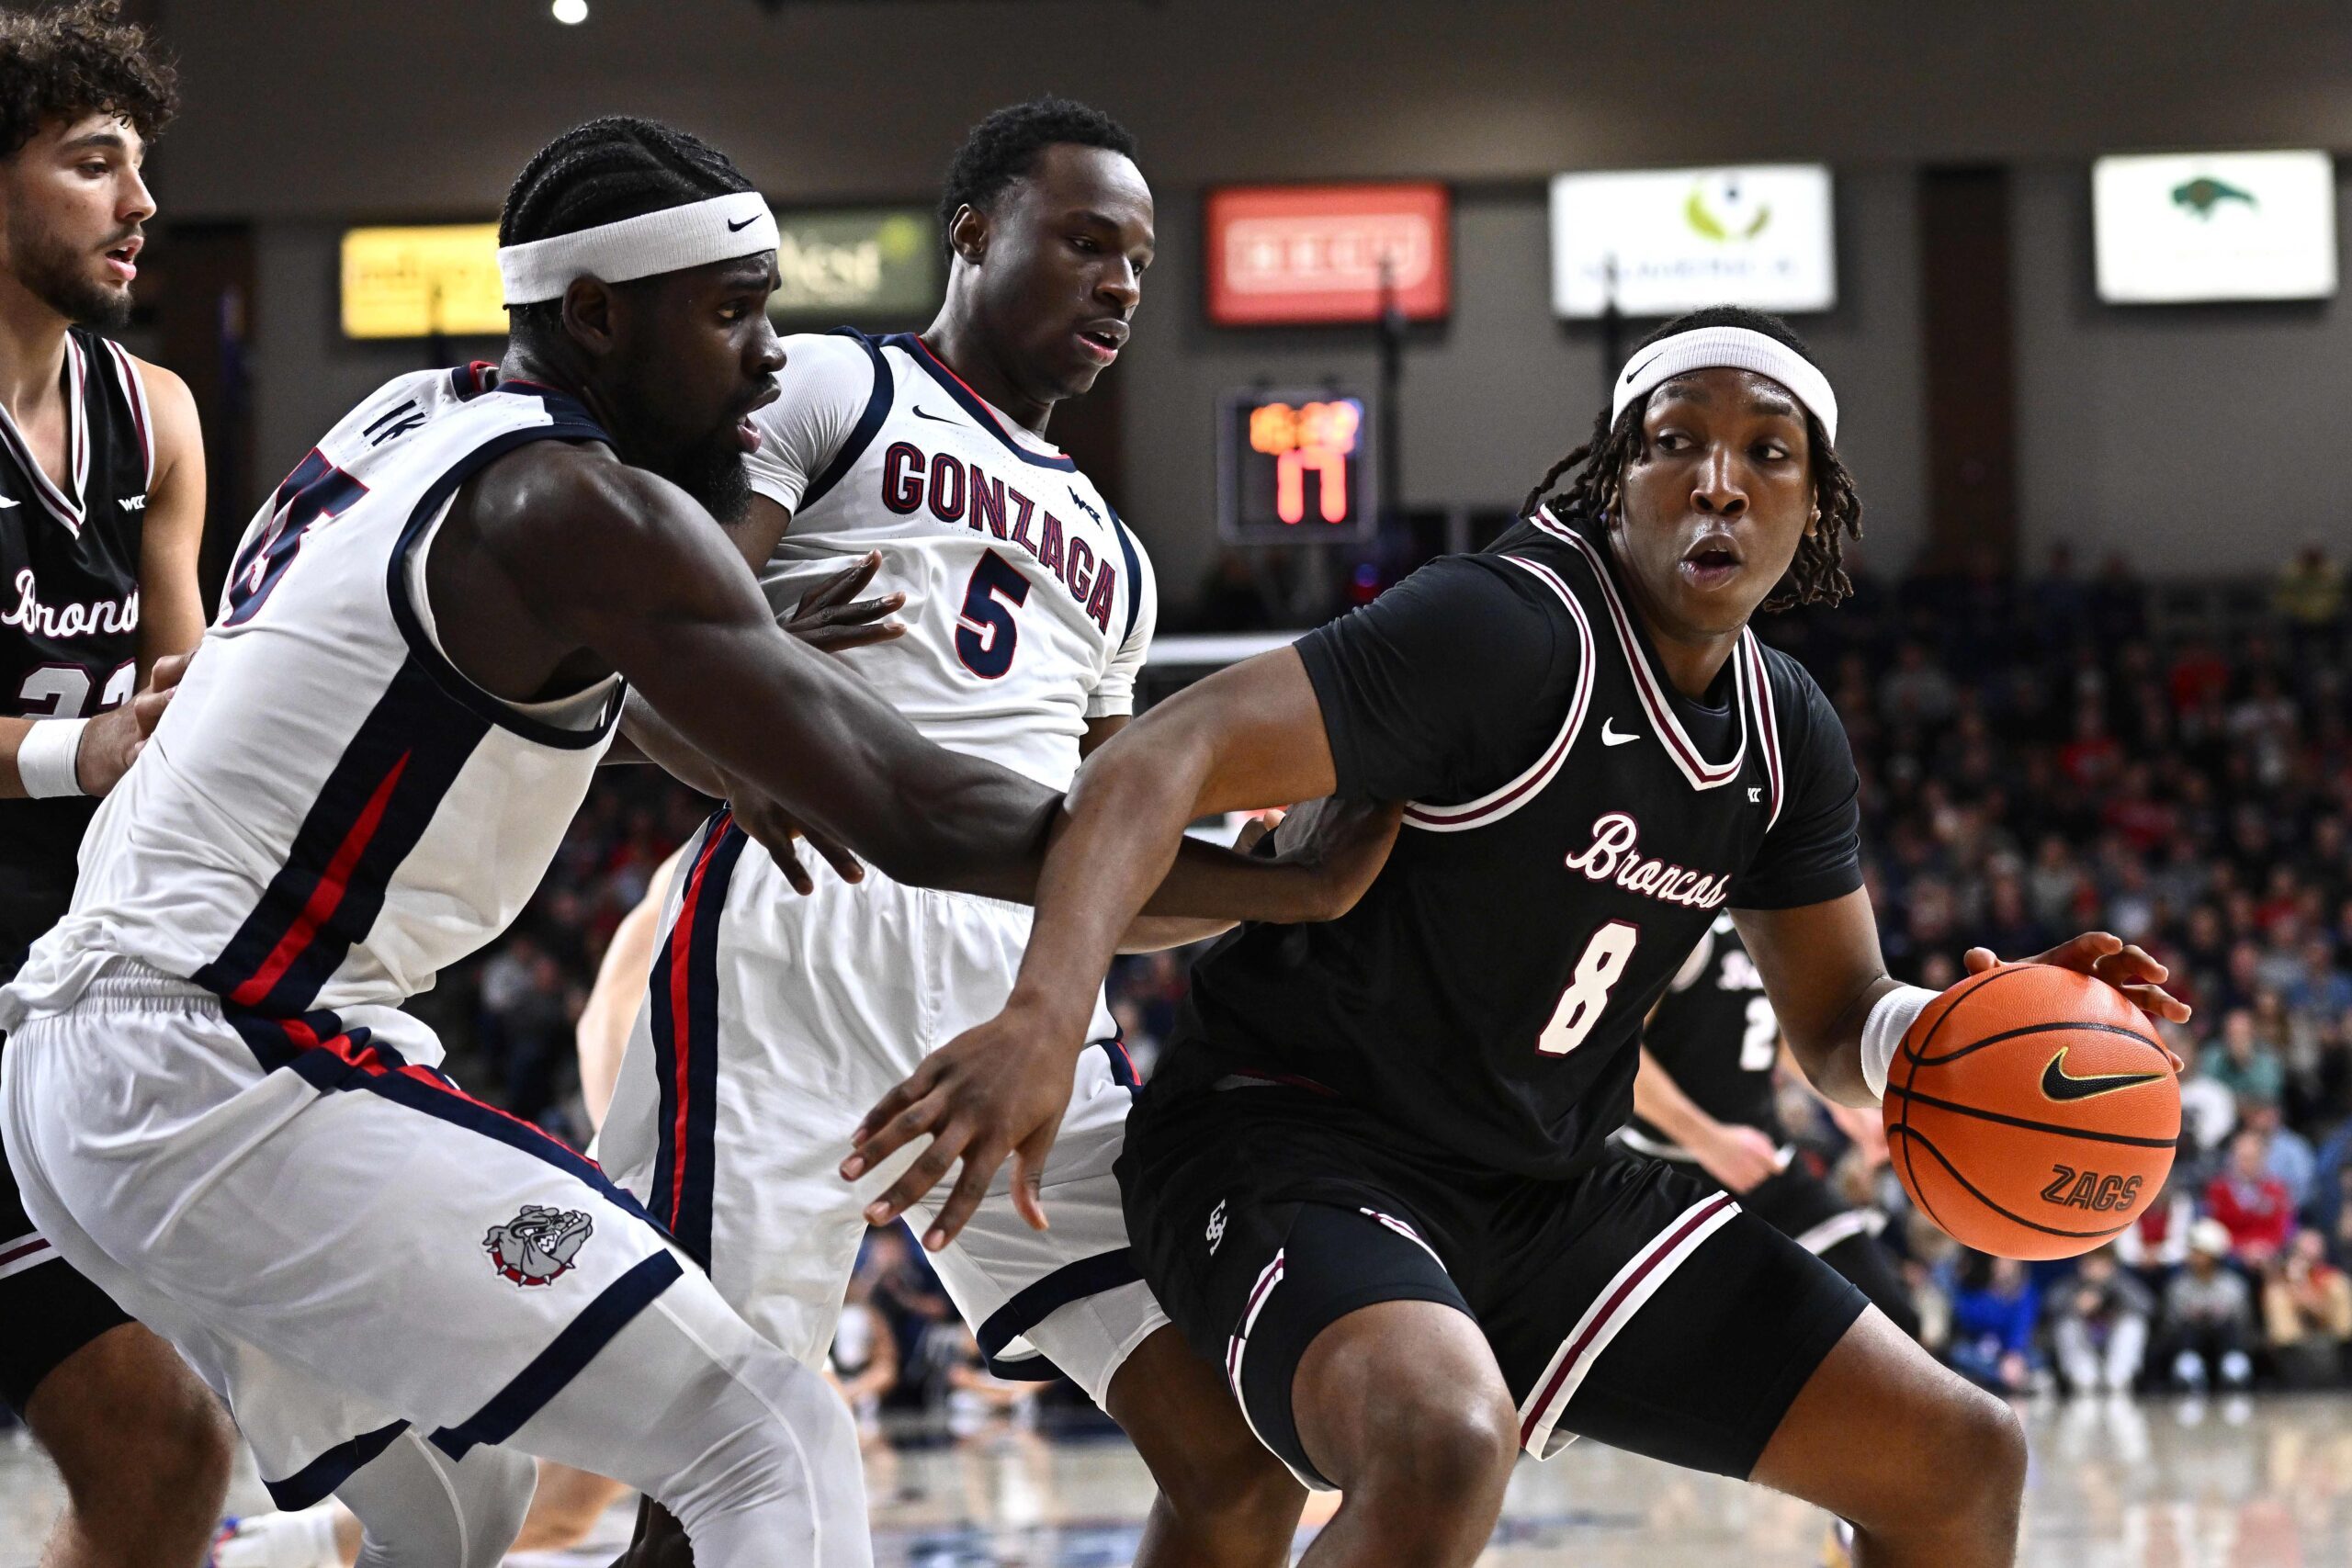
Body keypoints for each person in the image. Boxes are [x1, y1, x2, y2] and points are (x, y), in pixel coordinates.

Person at [0, 117, 1385, 1568]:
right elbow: (902, 801)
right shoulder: (586, 496)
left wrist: (739, 687)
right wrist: (1290, 882)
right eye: (734, 314)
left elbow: (603, 657)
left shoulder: (413, 418)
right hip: (233, 1053)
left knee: (460, 1508)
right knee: (762, 1437)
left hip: (124, 1054)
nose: (771, 353)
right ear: (598, 315)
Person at [853, 307, 2193, 1567]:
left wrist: (1976, 1027)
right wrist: (1045, 1012)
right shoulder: (1501, 628)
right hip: (1293, 1140)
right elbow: (1155, 759)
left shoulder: (1789, 735)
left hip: (1546, 1188)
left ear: (1817, 509)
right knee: (1441, 1441)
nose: (1719, 480)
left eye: (1767, 455)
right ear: (1616, 478)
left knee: (1961, 1454)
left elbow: (1840, 1030)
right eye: (1675, 443)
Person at [594, 98, 1315, 1564]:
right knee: (723, 1483)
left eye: (1141, 261)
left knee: (1241, 1466)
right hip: (796, 944)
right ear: (974, 233)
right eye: (1087, 243)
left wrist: (1284, 883)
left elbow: (1110, 870)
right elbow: (641, 653)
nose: (1121, 282)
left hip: (1019, 999)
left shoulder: (1115, 556)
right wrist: (738, 709)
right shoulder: (833, 389)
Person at [0, 6, 232, 1563]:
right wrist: (72, 751)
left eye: (141, 166)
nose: (139, 203)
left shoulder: (152, 415)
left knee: (164, 1459)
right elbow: (104, 741)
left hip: (64, 986)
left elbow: (193, 705)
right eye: (93, 164)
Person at [1619, 912, 1917, 1336]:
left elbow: (1760, 1030)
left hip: (1767, 1165)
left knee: (1890, 1317)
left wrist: (1841, 1103)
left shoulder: (1769, 926)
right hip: (1669, 1174)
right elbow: (1615, 1057)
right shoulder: (1686, 925)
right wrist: (1708, 1140)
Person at [2162, 1219, 2254, 1393]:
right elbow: (2170, 1324)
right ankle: (2187, 1368)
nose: (2194, 1257)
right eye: (2193, 1252)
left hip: (2225, 1344)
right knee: (2188, 1330)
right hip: (2190, 1344)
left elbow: (2243, 1323)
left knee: (2229, 1328)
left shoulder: (2233, 1286)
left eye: (2199, 1252)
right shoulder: (2178, 1287)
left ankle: (2234, 1368)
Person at [2050, 1247, 2153, 1396]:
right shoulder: (2072, 1285)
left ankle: (2119, 1378)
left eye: (2101, 1263)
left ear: (2111, 1265)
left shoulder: (2122, 1284)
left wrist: (2108, 1293)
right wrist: (2074, 1304)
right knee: (2067, 1323)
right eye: (2090, 1263)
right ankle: (2082, 1378)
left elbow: (2147, 1306)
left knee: (2133, 1323)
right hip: (2086, 1352)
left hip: (2113, 1352)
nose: (2095, 1269)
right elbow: (2051, 1305)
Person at [2261, 1229, 2351, 1389]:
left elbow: (2321, 1312)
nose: (2310, 1252)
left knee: (2340, 1288)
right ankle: (2293, 1379)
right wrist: (2293, 1282)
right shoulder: (2281, 1277)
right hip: (2294, 1338)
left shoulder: (2330, 1277)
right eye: (2305, 1248)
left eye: (2315, 1246)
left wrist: (2300, 1286)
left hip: (2328, 1326)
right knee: (2277, 1297)